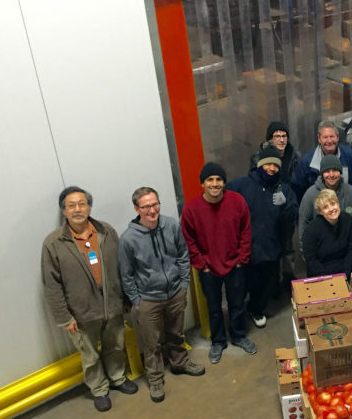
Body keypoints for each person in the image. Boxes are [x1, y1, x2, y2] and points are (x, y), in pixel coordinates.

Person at [41, 186, 138, 412]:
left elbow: (121, 267)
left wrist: (124, 298)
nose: (77, 209)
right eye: (71, 205)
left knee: (115, 346)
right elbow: (51, 284)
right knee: (90, 356)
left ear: (89, 207)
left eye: (82, 204)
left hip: (112, 306)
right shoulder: (53, 243)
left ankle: (118, 378)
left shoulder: (106, 231)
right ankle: (99, 390)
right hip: (81, 314)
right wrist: (64, 318)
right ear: (64, 211)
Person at [118, 187, 205, 403]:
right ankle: (155, 378)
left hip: (175, 292)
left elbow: (183, 255)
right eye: (146, 206)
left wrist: (183, 284)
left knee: (176, 333)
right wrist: (137, 301)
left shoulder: (171, 225)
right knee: (151, 343)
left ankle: (180, 363)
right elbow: (126, 274)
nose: (151, 210)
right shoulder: (128, 238)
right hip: (148, 300)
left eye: (155, 204)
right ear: (137, 209)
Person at [180, 162, 257, 362]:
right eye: (210, 180)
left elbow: (246, 231)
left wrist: (242, 258)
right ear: (202, 184)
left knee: (237, 303)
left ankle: (239, 335)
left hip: (235, 265)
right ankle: (218, 341)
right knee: (213, 307)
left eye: (219, 180)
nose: (215, 184)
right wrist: (201, 264)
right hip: (208, 268)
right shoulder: (191, 209)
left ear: (224, 182)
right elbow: (189, 239)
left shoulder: (237, 201)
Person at [228, 148, 298, 328]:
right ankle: (236, 318)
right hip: (244, 250)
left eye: (275, 165)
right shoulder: (242, 185)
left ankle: (256, 309)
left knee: (264, 286)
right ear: (259, 164)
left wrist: (285, 206)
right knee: (240, 286)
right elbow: (222, 199)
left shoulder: (283, 188)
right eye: (268, 164)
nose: (272, 168)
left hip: (271, 248)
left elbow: (292, 216)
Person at [249, 121, 301, 285]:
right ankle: (271, 284)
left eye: (284, 136)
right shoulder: (258, 157)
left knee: (287, 246)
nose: (281, 139)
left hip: (286, 206)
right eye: (276, 136)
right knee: (269, 248)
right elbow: (254, 181)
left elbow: (297, 181)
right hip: (266, 210)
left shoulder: (294, 155)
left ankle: (288, 279)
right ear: (269, 139)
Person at [298, 154, 352, 247]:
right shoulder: (310, 195)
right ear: (322, 173)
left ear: (340, 172)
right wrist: (308, 257)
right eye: (327, 171)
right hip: (320, 255)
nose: (331, 175)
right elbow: (303, 227)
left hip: (348, 254)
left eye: (335, 170)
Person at [291, 120, 352, 199]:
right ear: (319, 139)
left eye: (332, 136)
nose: (329, 141)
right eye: (325, 137)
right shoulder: (306, 163)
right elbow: (298, 191)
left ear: (337, 137)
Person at [301, 189, 352, 278]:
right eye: (325, 207)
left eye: (333, 204)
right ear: (320, 212)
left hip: (345, 271)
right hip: (321, 275)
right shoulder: (311, 230)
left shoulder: (347, 219)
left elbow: (351, 248)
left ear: (338, 204)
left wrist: (346, 272)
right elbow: (311, 260)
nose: (331, 209)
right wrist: (329, 278)